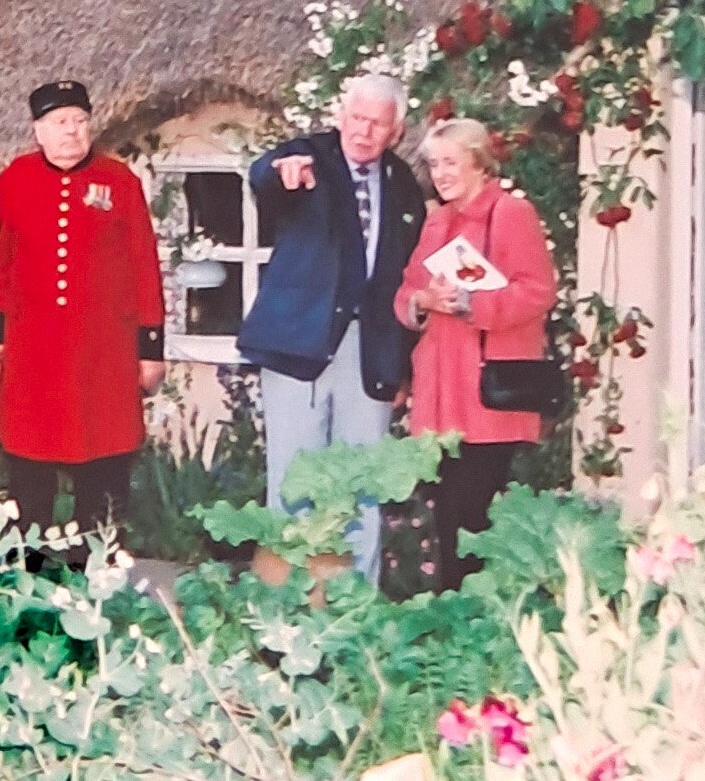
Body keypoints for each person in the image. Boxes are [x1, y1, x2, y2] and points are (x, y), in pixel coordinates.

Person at [238, 72, 425, 581]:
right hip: (300, 348)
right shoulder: (309, 157)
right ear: (341, 116)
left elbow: (406, 277)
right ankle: (285, 615)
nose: (363, 132)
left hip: (371, 355)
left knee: (363, 489)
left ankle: (354, 615)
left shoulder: (405, 187)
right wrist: (283, 172)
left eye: (376, 124)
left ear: (396, 131)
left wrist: (402, 365)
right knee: (294, 486)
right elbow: (264, 176)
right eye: (357, 119)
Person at [0, 80, 167, 535]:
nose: (73, 132)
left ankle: (97, 567)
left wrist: (151, 347)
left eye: (80, 121)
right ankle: (27, 567)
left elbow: (145, 266)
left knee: (103, 461)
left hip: (103, 355)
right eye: (61, 122)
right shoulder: (15, 180)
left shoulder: (119, 182)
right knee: (29, 465)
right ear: (37, 130)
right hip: (34, 354)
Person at [396, 118, 558, 588]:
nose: (440, 173)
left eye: (450, 162)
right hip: (439, 396)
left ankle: (475, 617)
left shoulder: (510, 214)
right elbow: (405, 293)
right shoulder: (436, 221)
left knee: (471, 517)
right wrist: (423, 302)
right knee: (445, 517)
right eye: (433, 164)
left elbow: (537, 292)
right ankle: (458, 617)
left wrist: (472, 304)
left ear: (478, 162)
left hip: (487, 395)